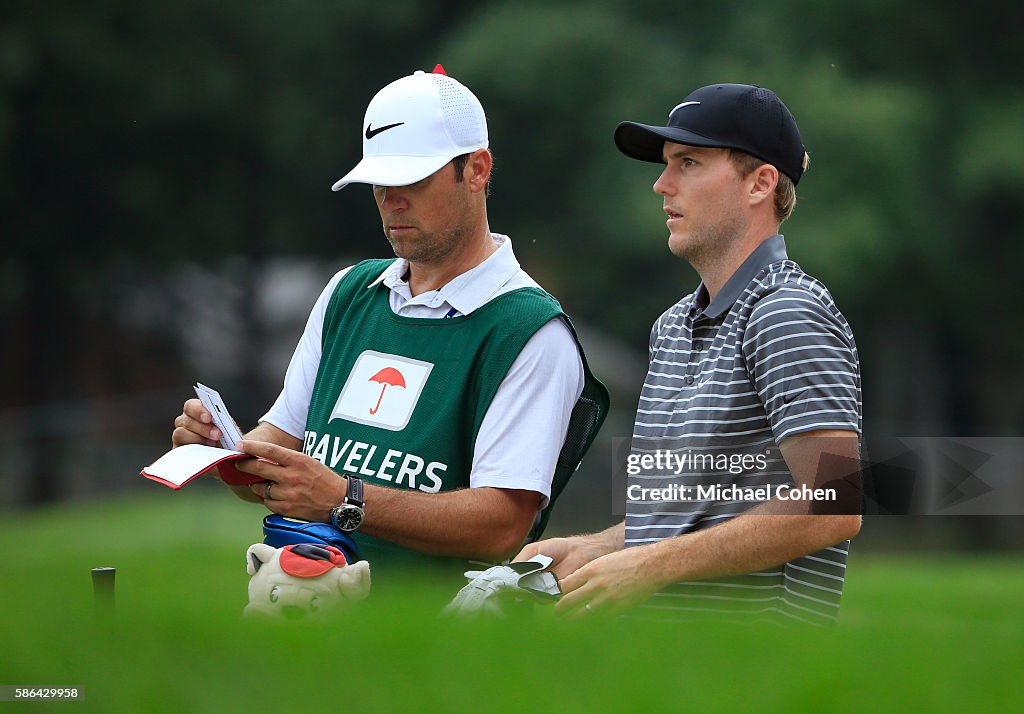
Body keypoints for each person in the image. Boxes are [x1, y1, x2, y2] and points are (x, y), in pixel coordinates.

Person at [171, 66, 607, 582]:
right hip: (296, 603)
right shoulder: (349, 291)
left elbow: (502, 526)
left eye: (414, 180)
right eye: (380, 181)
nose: (391, 199)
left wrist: (344, 500)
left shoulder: (529, 330)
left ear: (477, 170)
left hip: (432, 638)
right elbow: (281, 461)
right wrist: (226, 454)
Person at [516, 84, 862, 625]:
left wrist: (649, 566)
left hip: (762, 672)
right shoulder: (672, 326)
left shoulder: (788, 312)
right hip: (674, 672)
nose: (661, 184)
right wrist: (602, 550)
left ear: (761, 183)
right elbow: (694, 515)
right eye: (666, 165)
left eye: (689, 163)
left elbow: (834, 504)